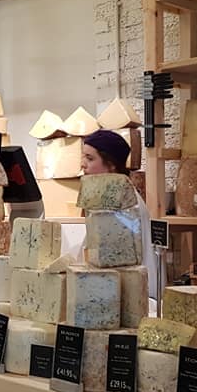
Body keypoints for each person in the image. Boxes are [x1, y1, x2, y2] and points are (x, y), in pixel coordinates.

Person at [81, 129, 158, 301]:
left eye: (90, 158)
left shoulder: (126, 202)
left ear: (111, 164)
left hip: (131, 295)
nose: (83, 164)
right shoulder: (103, 199)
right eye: (83, 157)